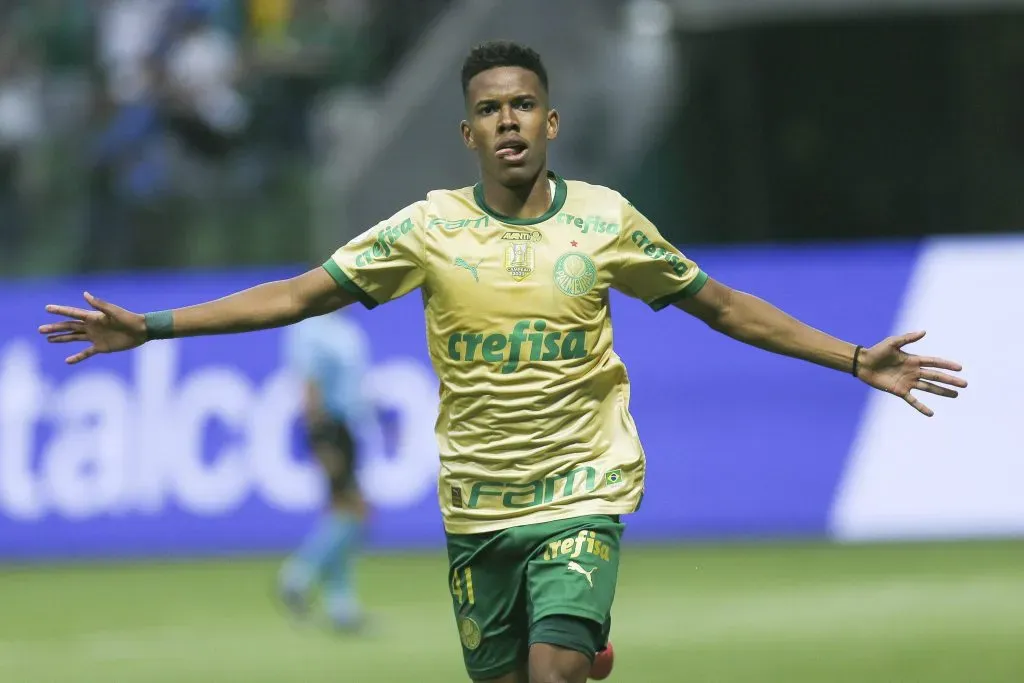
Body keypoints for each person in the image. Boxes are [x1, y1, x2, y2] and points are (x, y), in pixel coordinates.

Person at [39, 41, 967, 683]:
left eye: (523, 104)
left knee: (555, 666)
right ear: (468, 135)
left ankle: (578, 645)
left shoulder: (606, 221)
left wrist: (852, 357)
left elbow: (721, 305)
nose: (509, 121)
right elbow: (294, 295)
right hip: (478, 504)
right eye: (490, 110)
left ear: (552, 121)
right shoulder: (426, 229)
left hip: (582, 489)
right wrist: (152, 326)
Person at [278, 311, 371, 631]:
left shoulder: (343, 328)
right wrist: (318, 436)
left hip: (347, 427)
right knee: (355, 510)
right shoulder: (311, 331)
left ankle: (341, 606)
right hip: (329, 427)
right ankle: (298, 575)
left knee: (341, 511)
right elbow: (309, 383)